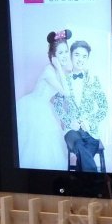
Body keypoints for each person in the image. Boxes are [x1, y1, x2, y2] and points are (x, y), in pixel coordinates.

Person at [16, 29, 74, 170]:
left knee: (49, 142)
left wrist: (61, 69)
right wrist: (59, 67)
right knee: (36, 143)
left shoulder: (59, 71)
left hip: (45, 106)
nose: (64, 55)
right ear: (53, 56)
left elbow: (67, 91)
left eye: (66, 51)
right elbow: (66, 92)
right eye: (60, 53)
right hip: (33, 106)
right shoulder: (49, 70)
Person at [61, 40, 108, 172]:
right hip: (71, 132)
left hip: (91, 132)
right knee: (79, 145)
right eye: (77, 55)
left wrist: (90, 121)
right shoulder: (63, 80)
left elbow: (103, 107)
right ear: (71, 56)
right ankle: (97, 180)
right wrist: (69, 121)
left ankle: (80, 180)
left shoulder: (93, 80)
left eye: (84, 56)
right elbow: (58, 105)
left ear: (87, 58)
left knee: (83, 156)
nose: (80, 59)